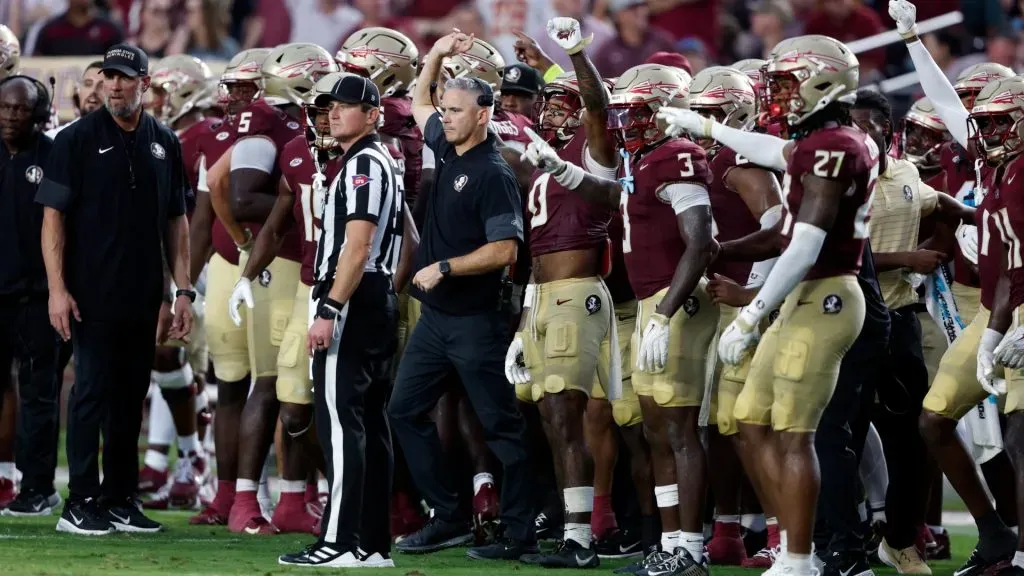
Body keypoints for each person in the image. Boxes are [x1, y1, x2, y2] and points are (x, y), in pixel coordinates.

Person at [659, 34, 877, 576]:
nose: (776, 94)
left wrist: (752, 314)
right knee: (749, 420)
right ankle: (797, 547)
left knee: (794, 433)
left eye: (784, 83)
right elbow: (771, 151)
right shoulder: (821, 140)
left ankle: (799, 559)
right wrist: (706, 127)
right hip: (802, 294)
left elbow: (803, 245)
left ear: (822, 83)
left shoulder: (836, 146)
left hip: (826, 294)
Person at [36, 43, 195, 536]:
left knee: (131, 394)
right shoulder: (76, 139)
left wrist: (182, 291)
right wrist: (57, 290)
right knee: (90, 392)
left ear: (145, 83)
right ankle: (80, 502)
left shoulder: (165, 140)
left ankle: (121, 498)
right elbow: (52, 219)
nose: (115, 85)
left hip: (143, 292)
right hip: (90, 290)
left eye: (125, 77)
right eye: (109, 76)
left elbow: (177, 220)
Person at [388, 30, 535, 559]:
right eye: (445, 109)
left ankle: (519, 532)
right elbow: (419, 103)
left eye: (455, 111)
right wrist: (434, 55)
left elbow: (505, 250)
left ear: (483, 115)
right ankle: (449, 515)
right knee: (403, 411)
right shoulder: (449, 149)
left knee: (501, 426)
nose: (444, 117)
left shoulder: (492, 172)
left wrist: (446, 267)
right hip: (437, 320)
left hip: (476, 320)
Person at [890, 2, 1021, 573]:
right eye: (978, 120)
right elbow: (944, 103)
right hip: (989, 310)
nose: (980, 128)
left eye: (994, 120)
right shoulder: (988, 157)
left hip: (1018, 311)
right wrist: (913, 39)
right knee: (937, 418)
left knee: (1017, 434)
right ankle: (996, 537)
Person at [278, 73, 402, 569]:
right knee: (370, 422)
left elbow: (358, 246)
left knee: (340, 422)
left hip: (352, 297)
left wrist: (329, 307)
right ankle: (371, 544)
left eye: (345, 105)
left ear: (373, 115)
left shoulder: (364, 163)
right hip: (372, 295)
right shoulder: (370, 159)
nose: (333, 113)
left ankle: (341, 540)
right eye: (329, 106)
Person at [0, 75, 64, 517]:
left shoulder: (54, 156)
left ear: (38, 114)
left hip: (38, 298)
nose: (10, 116)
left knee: (40, 394)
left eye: (20, 108)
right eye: (5, 107)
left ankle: (38, 487)